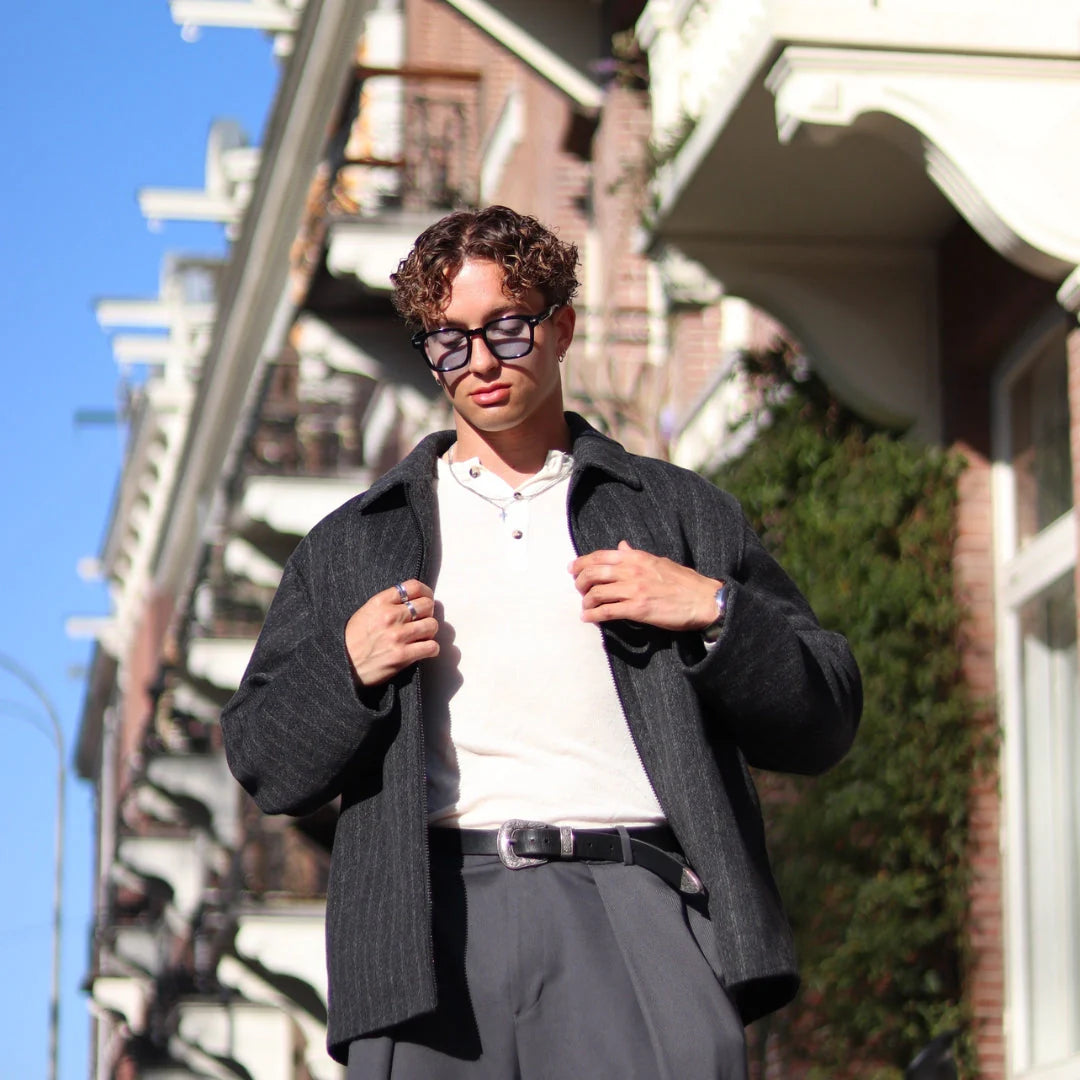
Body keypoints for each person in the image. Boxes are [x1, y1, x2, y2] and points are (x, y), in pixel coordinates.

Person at [221, 205, 862, 1079]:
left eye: (506, 328)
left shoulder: (675, 513)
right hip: (425, 938)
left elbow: (824, 716)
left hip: (636, 904)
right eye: (448, 340)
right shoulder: (352, 544)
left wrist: (713, 607)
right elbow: (263, 759)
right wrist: (347, 669)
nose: (480, 361)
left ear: (560, 328)